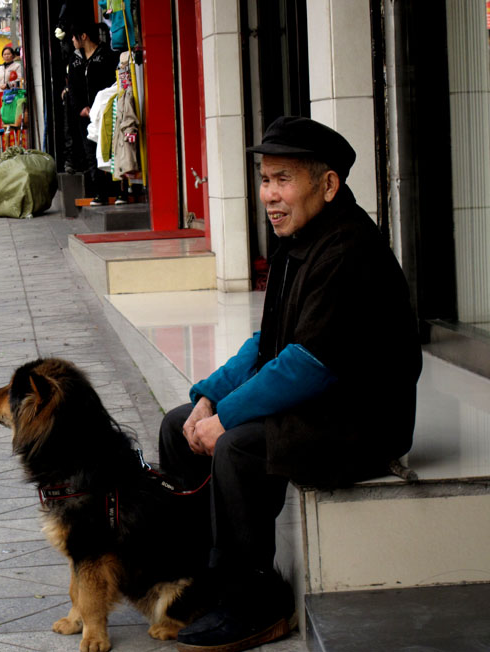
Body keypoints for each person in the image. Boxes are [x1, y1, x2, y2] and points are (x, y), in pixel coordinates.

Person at [159, 117, 423, 652]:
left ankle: (255, 599)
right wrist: (208, 395)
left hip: (361, 423)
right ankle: (201, 582)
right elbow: (269, 341)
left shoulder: (348, 250)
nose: (270, 195)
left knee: (237, 447)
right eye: (264, 180)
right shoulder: (299, 239)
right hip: (317, 404)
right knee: (176, 428)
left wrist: (227, 417)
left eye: (283, 179)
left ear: (327, 185)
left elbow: (308, 364)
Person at [71, 23, 118, 205]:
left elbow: (112, 85)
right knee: (91, 153)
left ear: (84, 36)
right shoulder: (75, 59)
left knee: (112, 149)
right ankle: (100, 193)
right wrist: (81, 107)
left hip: (106, 112)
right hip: (85, 114)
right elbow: (73, 87)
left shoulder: (106, 56)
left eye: (74, 36)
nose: (72, 40)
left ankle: (118, 190)